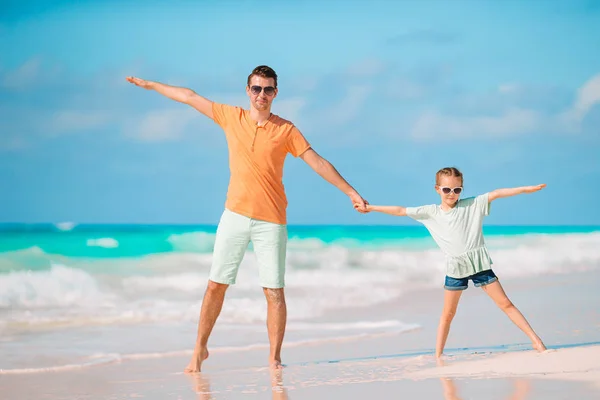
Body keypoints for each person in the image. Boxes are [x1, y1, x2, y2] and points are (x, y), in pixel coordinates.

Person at [126, 65, 368, 372]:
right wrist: (149, 84)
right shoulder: (231, 117)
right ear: (248, 91)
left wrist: (351, 192)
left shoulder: (286, 130)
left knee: (274, 291)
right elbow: (188, 96)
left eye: (268, 89)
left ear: (275, 93)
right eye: (256, 88)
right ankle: (199, 350)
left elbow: (317, 162)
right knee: (216, 285)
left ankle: (274, 358)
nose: (262, 95)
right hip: (235, 216)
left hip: (271, 220)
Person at [356, 166, 547, 358]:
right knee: (448, 314)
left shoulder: (473, 205)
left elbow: (496, 193)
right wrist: (371, 208)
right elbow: (400, 211)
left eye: (457, 190)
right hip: (455, 269)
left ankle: (537, 342)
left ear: (462, 189)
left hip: (479, 265)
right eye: (447, 189)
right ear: (437, 189)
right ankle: (438, 355)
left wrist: (526, 189)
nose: (452, 194)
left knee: (505, 303)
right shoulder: (430, 212)